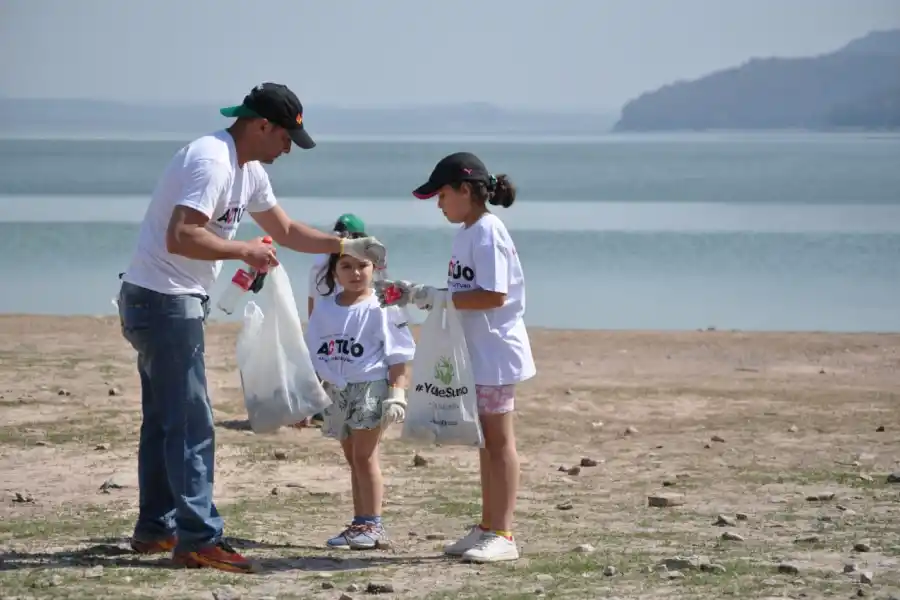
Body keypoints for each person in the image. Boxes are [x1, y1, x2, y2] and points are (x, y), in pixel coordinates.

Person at [116, 82, 387, 573]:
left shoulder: (250, 169)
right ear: (261, 125)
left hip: (167, 299)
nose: (288, 150)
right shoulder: (212, 161)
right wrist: (244, 250)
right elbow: (182, 235)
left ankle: (157, 527)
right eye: (285, 139)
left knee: (165, 419)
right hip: (162, 300)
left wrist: (344, 248)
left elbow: (284, 230)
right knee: (191, 424)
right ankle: (197, 537)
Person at [375, 151, 535, 564]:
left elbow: (494, 295)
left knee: (499, 443)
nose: (438, 203)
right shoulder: (467, 232)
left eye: (442, 194)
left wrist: (438, 298)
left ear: (466, 190)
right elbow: (465, 293)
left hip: (495, 353)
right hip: (474, 353)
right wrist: (418, 293)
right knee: (484, 441)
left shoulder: (488, 231)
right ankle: (487, 526)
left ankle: (503, 532)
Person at [305, 232, 414, 550]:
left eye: (362, 266)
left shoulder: (385, 306)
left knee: (366, 456)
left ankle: (374, 524)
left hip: (371, 386)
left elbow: (399, 355)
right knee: (353, 458)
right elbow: (313, 353)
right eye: (346, 266)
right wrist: (310, 392)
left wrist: (397, 393)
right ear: (334, 272)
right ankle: (360, 522)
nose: (355, 273)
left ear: (376, 268)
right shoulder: (325, 308)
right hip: (336, 390)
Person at [305, 213, 366, 427]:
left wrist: (314, 325)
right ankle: (326, 408)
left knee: (323, 365)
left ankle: (316, 408)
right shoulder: (355, 258)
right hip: (342, 320)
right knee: (342, 366)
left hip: (324, 319)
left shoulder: (322, 259)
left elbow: (312, 298)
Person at [308, 213, 367, 317]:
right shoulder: (346, 263)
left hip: (322, 321)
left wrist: (312, 328)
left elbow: (311, 299)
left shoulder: (319, 259)